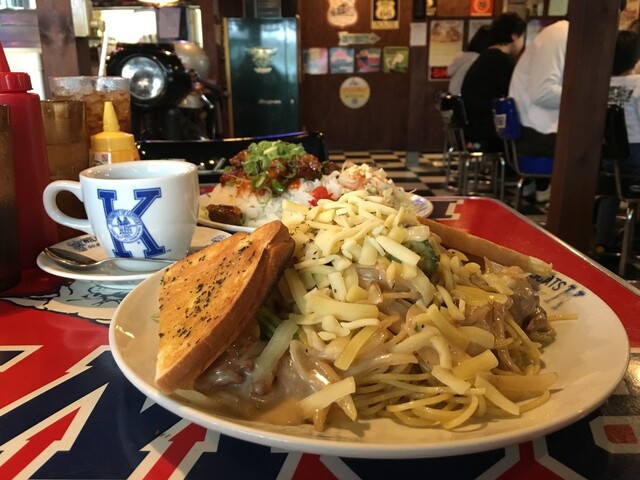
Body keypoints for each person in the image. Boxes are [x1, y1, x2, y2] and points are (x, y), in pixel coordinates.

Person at [508, 19, 569, 203]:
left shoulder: (558, 34)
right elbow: (543, 93)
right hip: (534, 133)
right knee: (599, 150)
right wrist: (586, 97)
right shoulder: (560, 34)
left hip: (529, 130)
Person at [595, 29, 640, 253]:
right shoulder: (638, 84)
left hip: (607, 157)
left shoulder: (602, 84)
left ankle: (602, 240)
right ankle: (634, 237)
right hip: (635, 157)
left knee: (611, 192)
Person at [461, 12, 526, 153]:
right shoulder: (502, 61)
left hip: (473, 126)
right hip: (488, 129)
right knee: (529, 136)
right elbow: (517, 93)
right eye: (522, 37)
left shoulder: (485, 56)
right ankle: (514, 167)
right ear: (514, 36)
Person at [446, 25, 492, 96]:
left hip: (454, 97)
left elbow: (449, 72)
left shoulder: (463, 57)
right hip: (466, 98)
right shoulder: (478, 61)